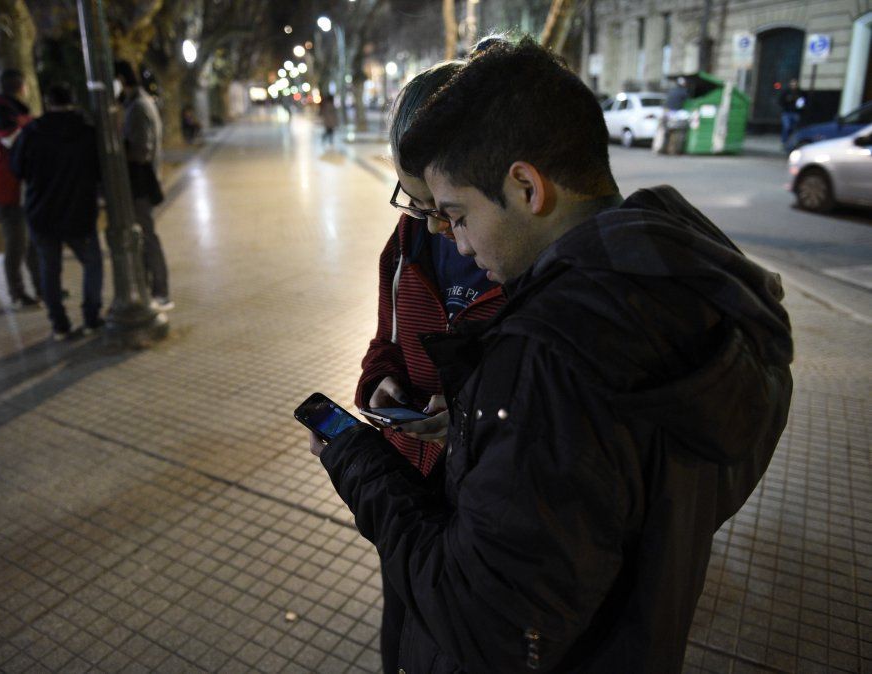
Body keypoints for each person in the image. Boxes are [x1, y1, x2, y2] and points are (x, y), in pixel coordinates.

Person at [311, 36, 793, 672]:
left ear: (526, 186)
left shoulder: (547, 361)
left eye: (455, 214)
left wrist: (355, 460)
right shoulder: (693, 287)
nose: (452, 239)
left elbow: (480, 621)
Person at [356, 61, 505, 673]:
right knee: (404, 619)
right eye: (414, 205)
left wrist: (464, 418)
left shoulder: (520, 260)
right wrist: (378, 382)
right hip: (412, 468)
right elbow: (385, 339)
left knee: (459, 629)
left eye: (443, 210)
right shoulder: (407, 241)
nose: (441, 230)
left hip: (479, 489)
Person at [10, 83, 103, 340]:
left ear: (47, 102)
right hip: (79, 211)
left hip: (41, 212)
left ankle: (60, 325)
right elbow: (99, 171)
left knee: (49, 269)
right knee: (92, 263)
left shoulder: (31, 132)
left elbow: (17, 168)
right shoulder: (86, 132)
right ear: (73, 101)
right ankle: (92, 317)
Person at [114, 60, 173, 311]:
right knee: (144, 236)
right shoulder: (136, 103)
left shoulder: (138, 106)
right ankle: (150, 288)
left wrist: (118, 152)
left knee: (147, 236)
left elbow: (141, 151)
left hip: (140, 182)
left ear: (120, 79)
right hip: (140, 181)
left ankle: (160, 292)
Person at [0, 68, 41, 309]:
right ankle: (17, 293)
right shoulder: (0, 112)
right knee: (17, 244)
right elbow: (10, 138)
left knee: (31, 243)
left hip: (20, 186)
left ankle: (42, 287)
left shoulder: (9, 110)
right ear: (21, 87)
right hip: (6, 187)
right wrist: (30, 124)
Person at [779, 77, 806, 151]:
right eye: (792, 84)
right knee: (786, 127)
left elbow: (802, 103)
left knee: (794, 128)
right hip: (787, 112)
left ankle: (791, 142)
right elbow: (781, 101)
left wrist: (799, 106)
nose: (793, 85)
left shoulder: (800, 93)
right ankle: (784, 142)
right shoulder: (786, 92)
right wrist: (787, 101)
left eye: (795, 84)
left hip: (795, 112)